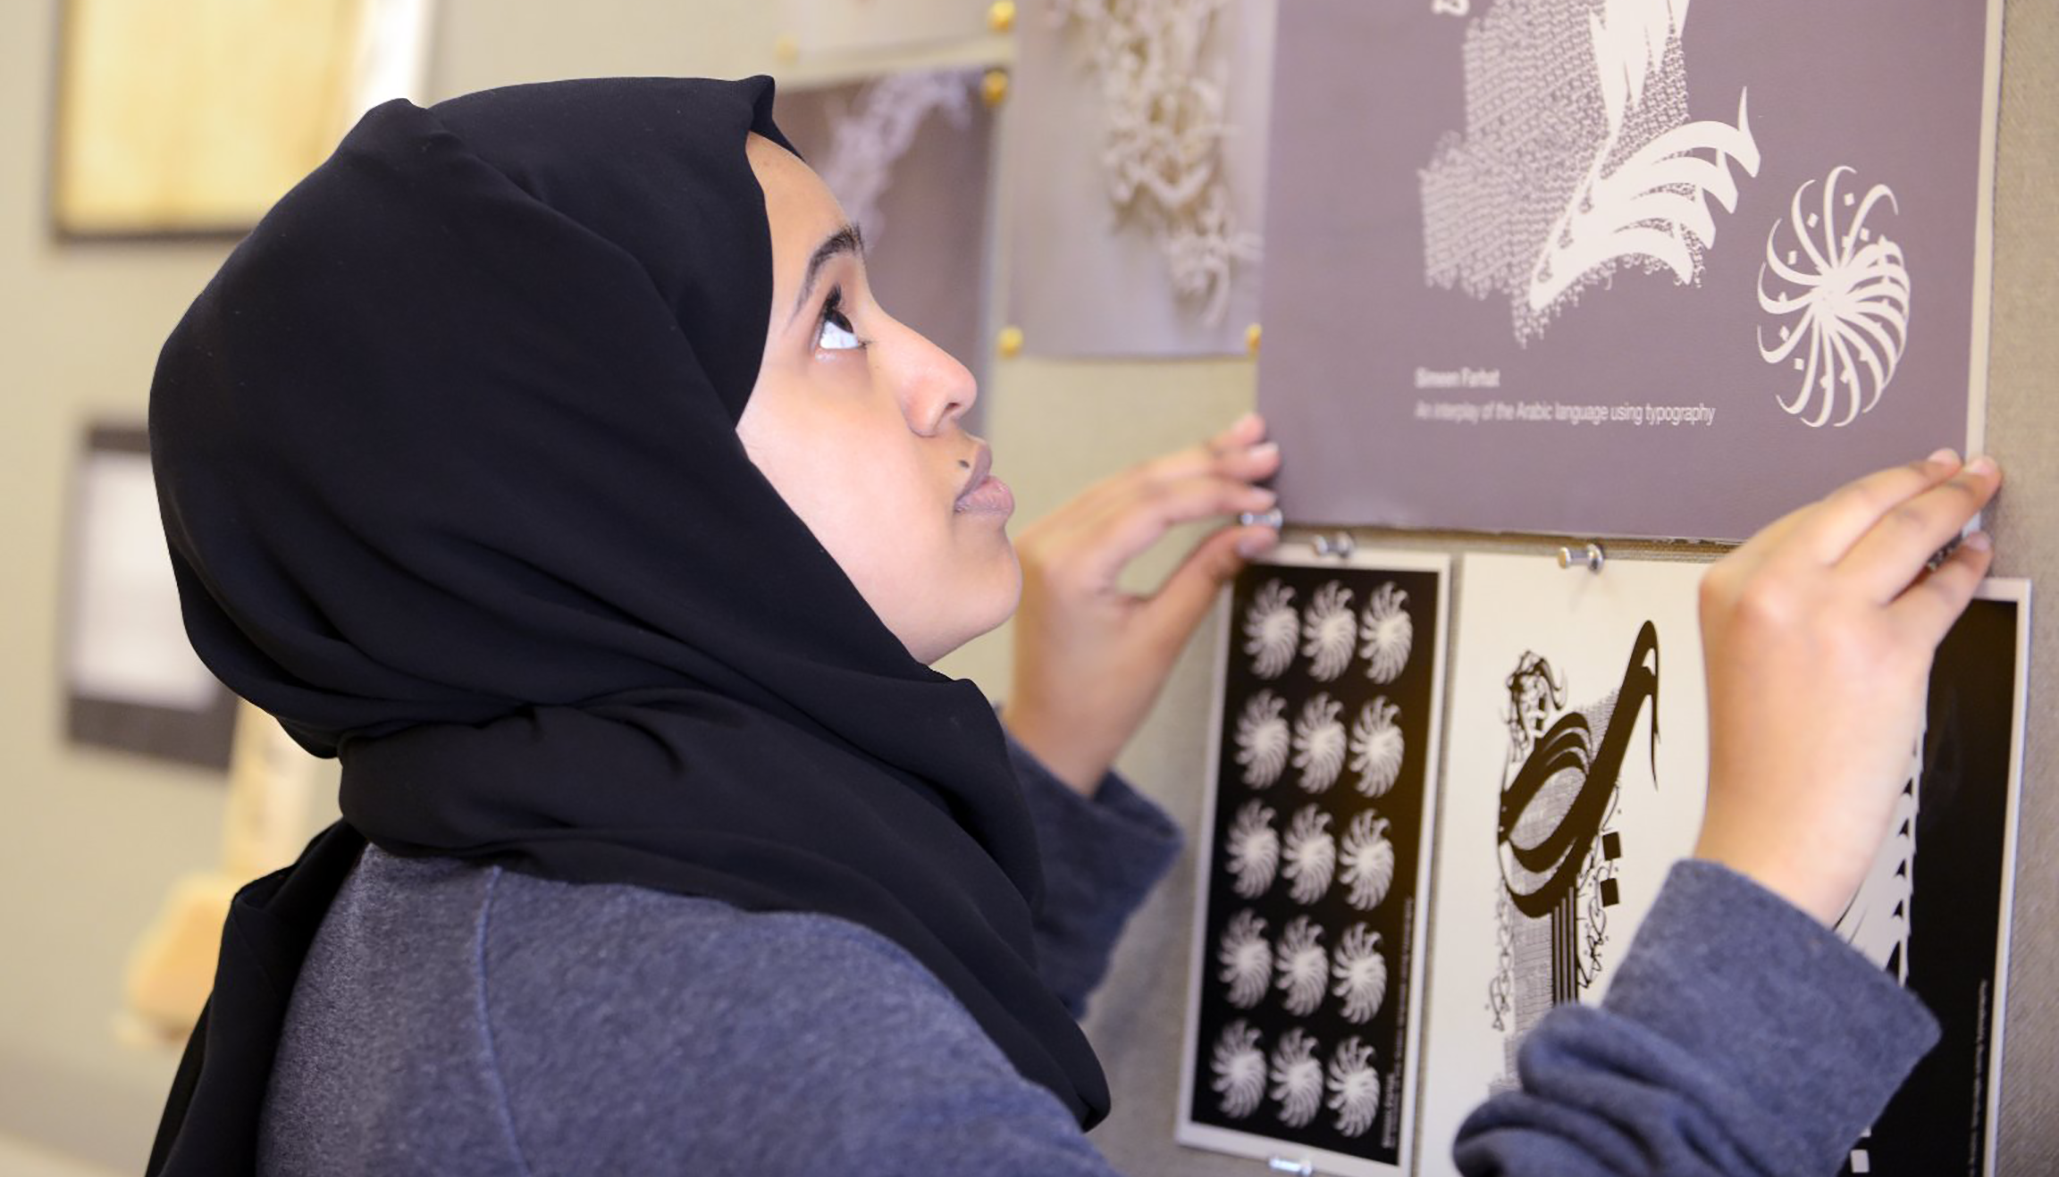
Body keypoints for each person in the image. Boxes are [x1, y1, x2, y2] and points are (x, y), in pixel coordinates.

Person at [142, 77, 2001, 1177]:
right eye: (836, 327)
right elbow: (807, 1079)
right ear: (603, 478)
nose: (945, 375)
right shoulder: (716, 1023)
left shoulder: (479, 884)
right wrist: (1759, 894)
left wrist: (1037, 773)